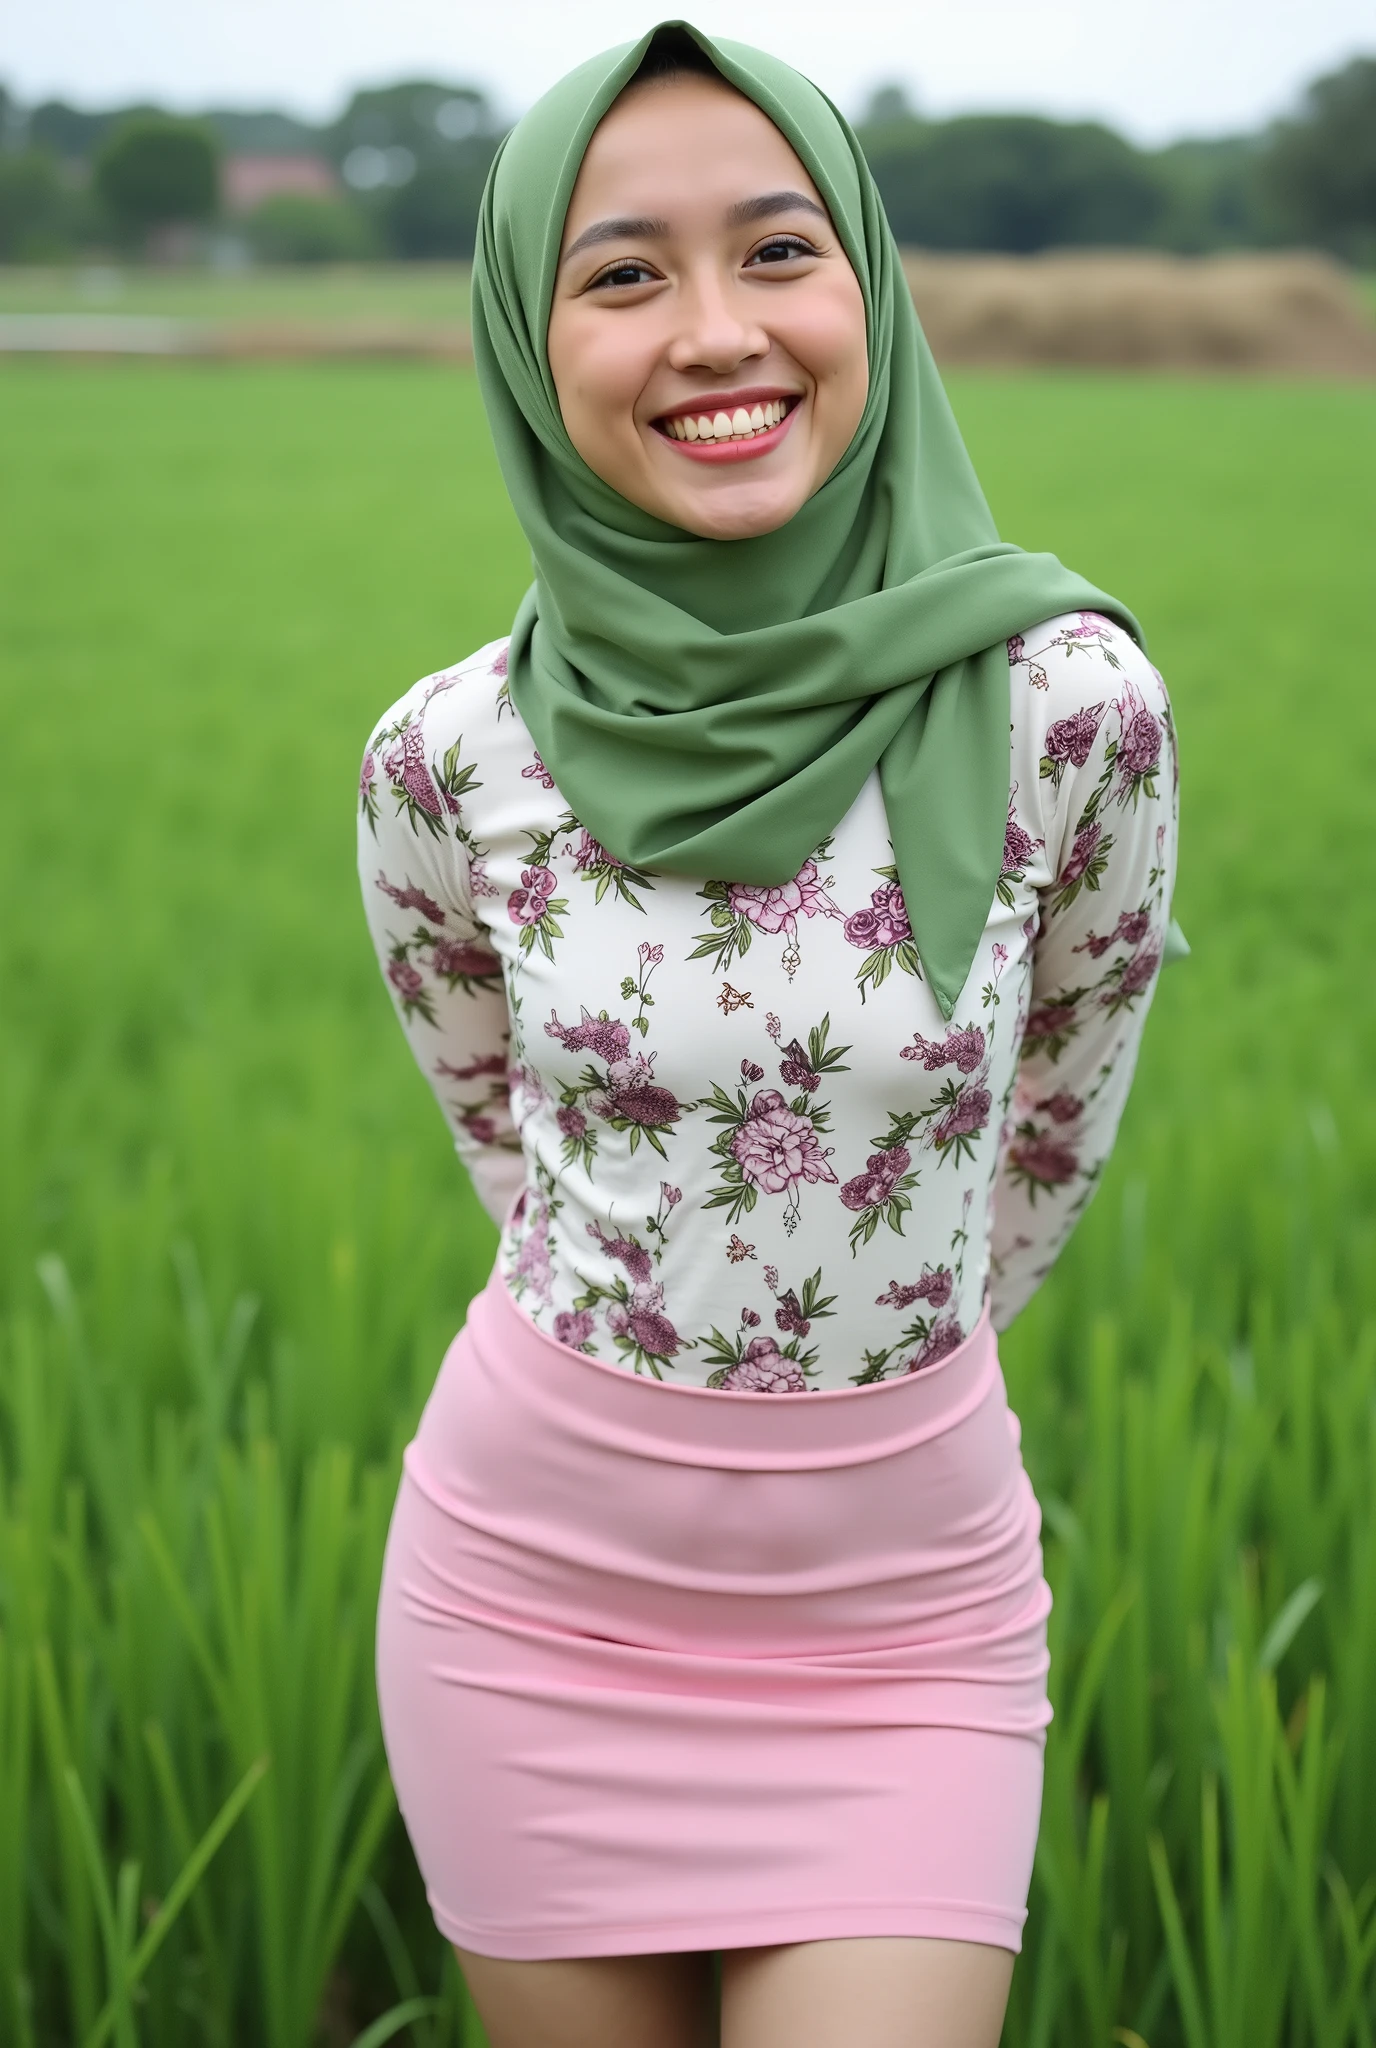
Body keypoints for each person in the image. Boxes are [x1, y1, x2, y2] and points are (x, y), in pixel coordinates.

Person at [359, 22, 1179, 2048]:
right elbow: (498, 1125)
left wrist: (848, 1386)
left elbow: (1057, 1117)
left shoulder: (1072, 705)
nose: (716, 334)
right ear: (522, 340)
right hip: (532, 1599)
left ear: (870, 291)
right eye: (622, 273)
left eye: (779, 253)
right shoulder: (447, 755)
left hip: (903, 1622)